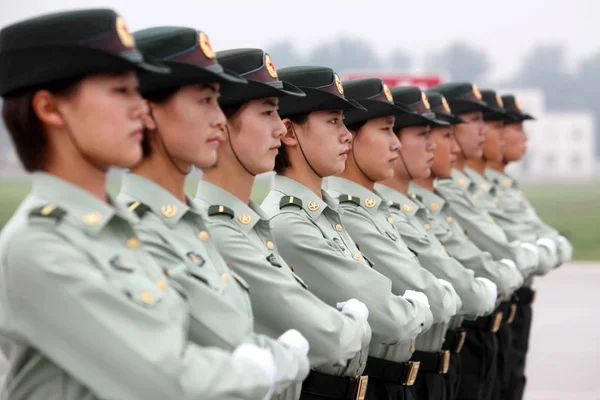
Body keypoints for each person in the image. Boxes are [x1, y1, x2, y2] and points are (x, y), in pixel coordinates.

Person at [0, 9, 283, 400]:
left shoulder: (115, 229)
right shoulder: (39, 247)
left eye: (138, 90)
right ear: (49, 109)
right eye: (120, 91)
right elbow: (168, 380)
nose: (141, 109)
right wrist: (272, 365)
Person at [116, 26, 311, 398]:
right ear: (148, 112)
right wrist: (286, 358)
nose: (219, 120)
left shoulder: (190, 223)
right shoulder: (139, 228)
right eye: (205, 101)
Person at [193, 49, 372, 400]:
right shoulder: (219, 228)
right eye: (268, 112)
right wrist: (354, 325)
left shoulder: (250, 222)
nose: (280, 126)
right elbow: (331, 338)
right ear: (220, 124)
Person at [260, 67, 438, 399]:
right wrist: (420, 307)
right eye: (333, 121)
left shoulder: (324, 213)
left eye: (344, 122)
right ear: (289, 132)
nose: (347, 135)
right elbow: (390, 317)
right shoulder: (290, 222)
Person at [323, 77, 466, 400]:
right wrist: (430, 300)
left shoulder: (372, 210)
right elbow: (415, 309)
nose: (397, 144)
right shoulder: (348, 214)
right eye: (386, 129)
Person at [376, 86, 500, 400]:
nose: (442, 147)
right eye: (424, 134)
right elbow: (458, 295)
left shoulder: (407, 208)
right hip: (398, 377)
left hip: (441, 364)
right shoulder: (374, 214)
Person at [410, 92, 524, 400]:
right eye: (432, 135)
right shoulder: (403, 211)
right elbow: (476, 286)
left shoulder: (426, 203)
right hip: (418, 367)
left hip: (456, 351)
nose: (451, 146)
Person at [485, 94, 573, 400]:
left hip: (512, 309)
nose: (523, 137)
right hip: (487, 317)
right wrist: (537, 252)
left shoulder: (502, 185)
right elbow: (522, 253)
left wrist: (540, 251)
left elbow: (550, 245)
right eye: (511, 127)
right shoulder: (471, 190)